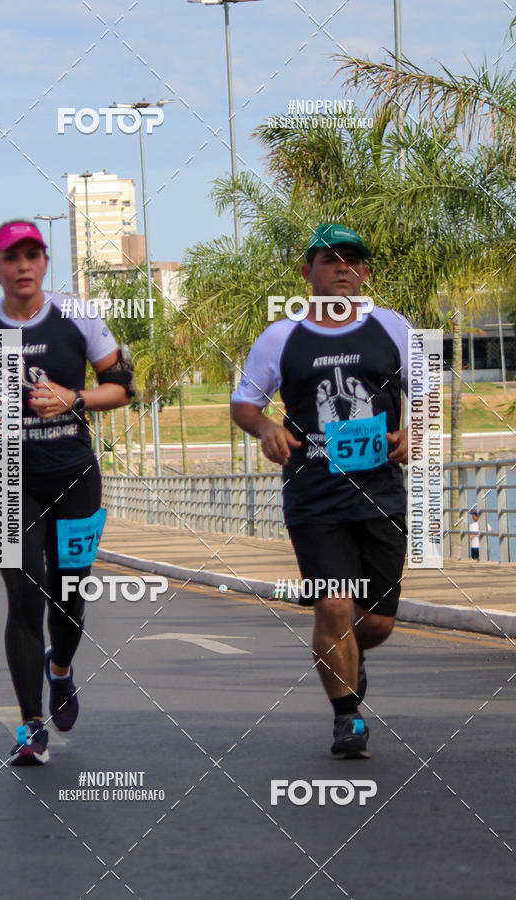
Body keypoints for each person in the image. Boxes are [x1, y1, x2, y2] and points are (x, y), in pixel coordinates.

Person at [0, 219, 134, 766]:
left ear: (45, 263)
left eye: (31, 254)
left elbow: (125, 387)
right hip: (7, 479)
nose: (22, 265)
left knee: (69, 596)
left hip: (73, 476)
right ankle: (29, 726)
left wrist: (75, 398)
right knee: (23, 599)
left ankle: (61, 669)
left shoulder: (78, 318)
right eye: (10, 257)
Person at [232, 224, 409, 760]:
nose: (342, 268)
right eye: (329, 260)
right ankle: (347, 718)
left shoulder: (393, 328)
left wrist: (413, 433)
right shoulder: (281, 337)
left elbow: (427, 396)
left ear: (365, 271)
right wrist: (266, 429)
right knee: (333, 604)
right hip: (314, 494)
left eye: (353, 259)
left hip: (381, 493)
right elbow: (245, 403)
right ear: (307, 272)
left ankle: (351, 653)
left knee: (374, 622)